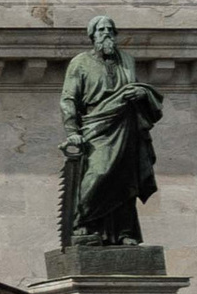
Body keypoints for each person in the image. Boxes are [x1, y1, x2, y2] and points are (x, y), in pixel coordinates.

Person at [58, 14, 161, 247]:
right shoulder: (80, 62)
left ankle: (125, 232)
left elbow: (135, 86)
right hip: (96, 124)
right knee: (98, 173)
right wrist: (72, 129)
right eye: (101, 30)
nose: (106, 34)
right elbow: (68, 99)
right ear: (92, 36)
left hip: (126, 124)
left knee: (126, 180)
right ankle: (83, 223)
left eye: (110, 30)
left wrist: (142, 94)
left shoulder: (127, 60)